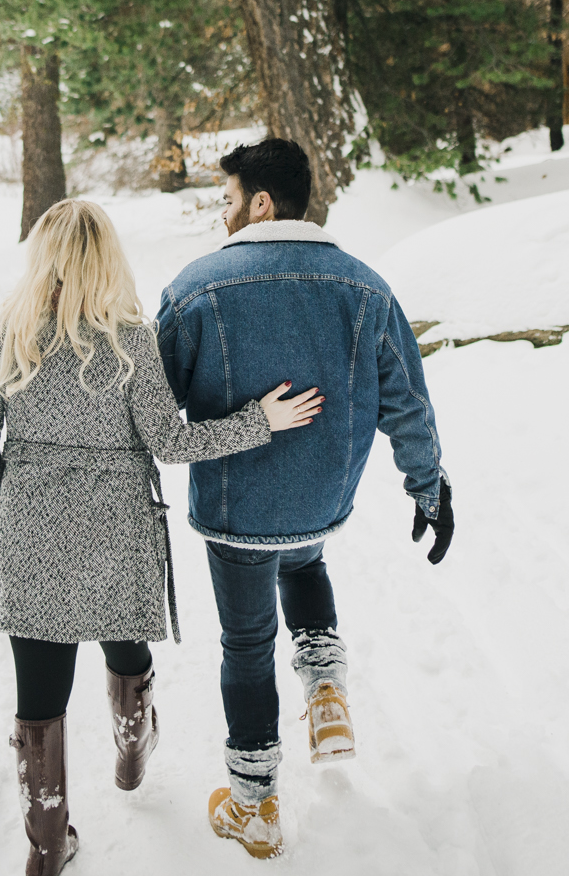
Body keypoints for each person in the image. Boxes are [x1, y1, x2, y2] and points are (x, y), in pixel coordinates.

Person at [0, 198, 324, 876]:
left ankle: (44, 846)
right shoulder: (130, 339)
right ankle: (132, 752)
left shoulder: (9, 333)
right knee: (123, 642)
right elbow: (172, 440)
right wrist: (259, 421)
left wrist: (12, 494)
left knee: (39, 691)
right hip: (116, 527)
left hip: (29, 525)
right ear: (107, 258)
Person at [156, 138, 455, 860]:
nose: (222, 215)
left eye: (227, 200)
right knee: (302, 558)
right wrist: (430, 484)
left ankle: (254, 803)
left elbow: (154, 410)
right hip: (320, 496)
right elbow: (406, 401)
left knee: (248, 644)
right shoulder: (365, 287)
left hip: (236, 507)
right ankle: (326, 691)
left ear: (260, 202)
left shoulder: (195, 289)